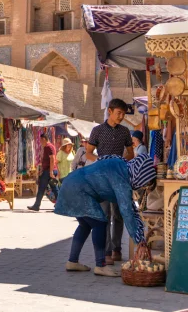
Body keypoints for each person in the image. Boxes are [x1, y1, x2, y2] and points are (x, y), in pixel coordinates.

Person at [56, 154, 156, 276]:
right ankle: (100, 265)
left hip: (70, 182)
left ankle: (72, 261)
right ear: (140, 174)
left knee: (85, 225)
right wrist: (139, 240)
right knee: (99, 223)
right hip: (79, 190)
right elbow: (127, 212)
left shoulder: (121, 164)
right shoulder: (122, 179)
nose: (142, 186)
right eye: (144, 183)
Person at [87, 98, 133, 265]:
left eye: (123, 114)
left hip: (119, 177)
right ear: (110, 111)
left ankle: (117, 249)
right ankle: (106, 251)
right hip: (102, 178)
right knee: (105, 214)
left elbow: (131, 153)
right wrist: (101, 160)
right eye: (119, 113)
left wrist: (120, 161)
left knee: (119, 214)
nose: (121, 116)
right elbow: (88, 153)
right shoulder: (97, 130)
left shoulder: (125, 132)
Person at [27, 133, 58, 211]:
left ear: (44, 139)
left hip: (48, 171)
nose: (40, 142)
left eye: (41, 140)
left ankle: (37, 205)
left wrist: (50, 171)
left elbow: (52, 159)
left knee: (42, 188)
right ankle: (59, 205)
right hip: (49, 170)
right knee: (54, 188)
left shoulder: (48, 147)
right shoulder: (50, 147)